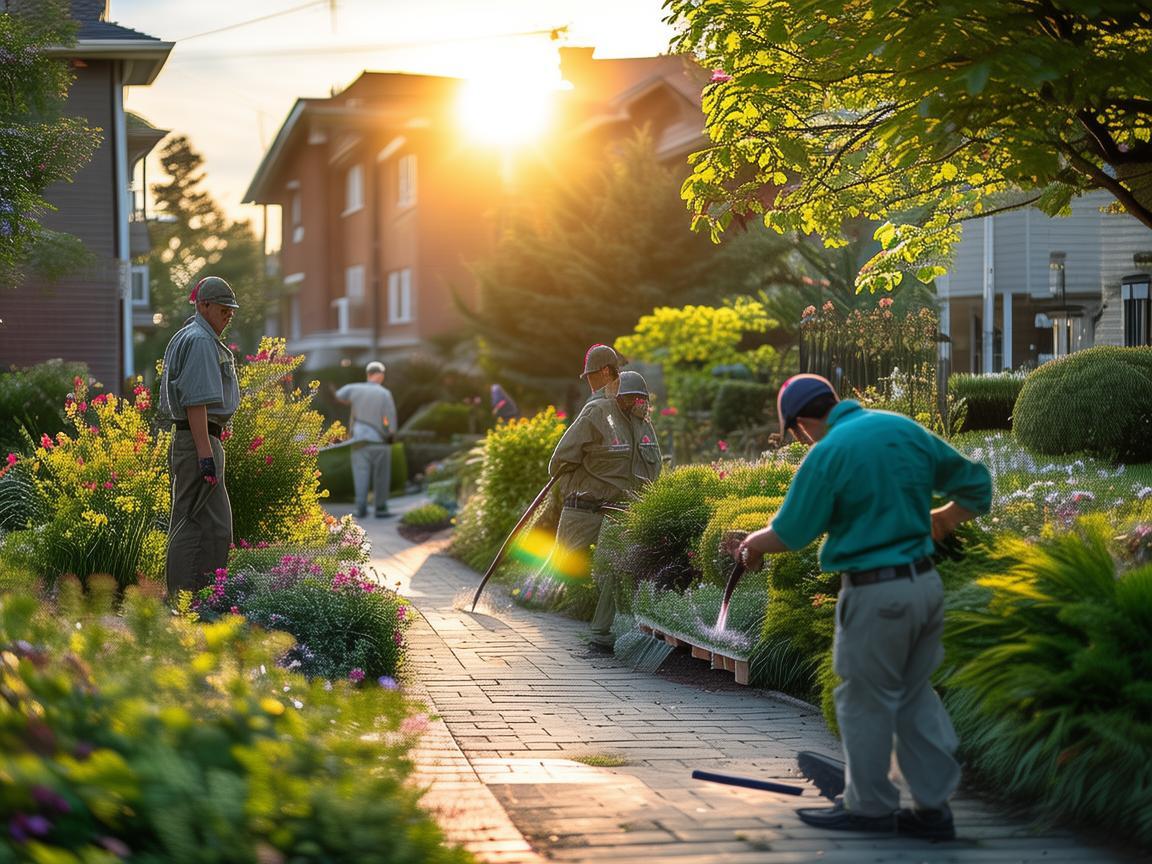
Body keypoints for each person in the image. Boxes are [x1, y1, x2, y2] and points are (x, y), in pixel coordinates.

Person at [732, 373, 991, 840]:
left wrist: (752, 543)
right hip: (924, 587)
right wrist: (945, 517)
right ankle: (934, 812)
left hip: (877, 594)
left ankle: (870, 809)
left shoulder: (828, 452)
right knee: (914, 695)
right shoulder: (902, 428)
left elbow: (792, 532)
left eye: (796, 431)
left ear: (801, 423)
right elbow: (976, 484)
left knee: (865, 700)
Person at [158, 276, 241, 599]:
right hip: (198, 443)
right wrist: (206, 454)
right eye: (223, 308)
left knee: (199, 522)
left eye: (231, 310)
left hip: (198, 439)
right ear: (203, 305)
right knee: (207, 526)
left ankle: (192, 599)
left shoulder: (191, 336)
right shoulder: (201, 341)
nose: (229, 314)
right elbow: (196, 402)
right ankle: (192, 600)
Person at [587, 370, 662, 643]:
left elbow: (656, 468)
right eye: (629, 398)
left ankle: (622, 628)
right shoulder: (609, 424)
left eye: (639, 399)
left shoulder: (646, 428)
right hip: (616, 510)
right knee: (613, 568)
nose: (635, 404)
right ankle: (601, 629)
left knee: (632, 570)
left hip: (641, 509)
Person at [334, 362, 399, 519]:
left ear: (367, 374)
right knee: (381, 476)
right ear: (381, 375)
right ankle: (381, 508)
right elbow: (391, 417)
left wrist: (352, 403)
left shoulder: (353, 388)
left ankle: (361, 508)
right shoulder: (384, 393)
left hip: (358, 440)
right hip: (379, 441)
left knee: (360, 474)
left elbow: (337, 396)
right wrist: (392, 433)